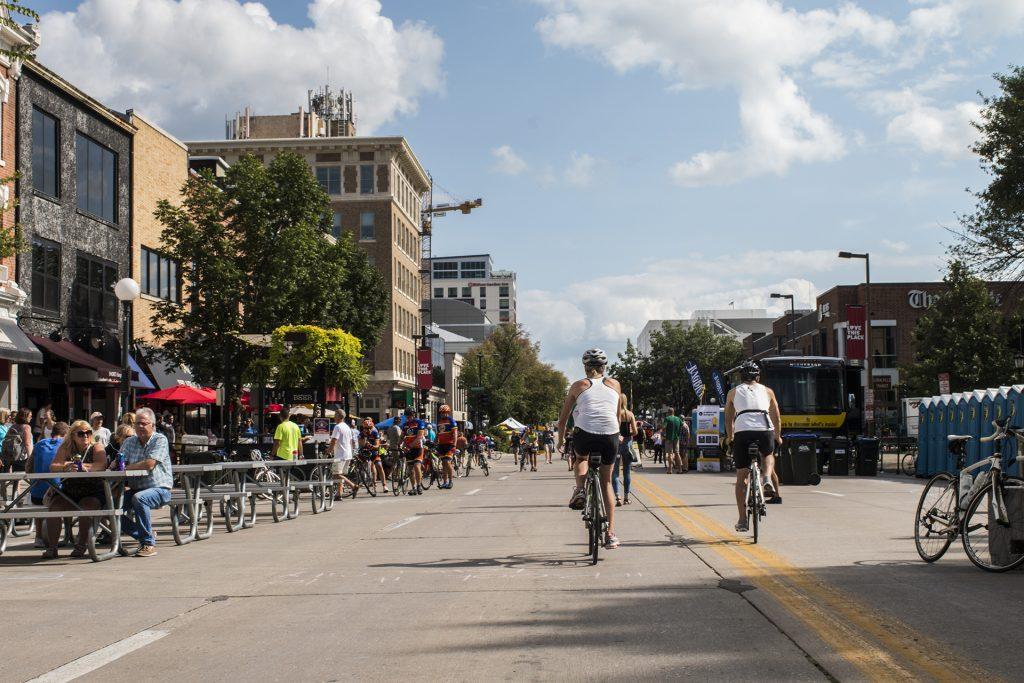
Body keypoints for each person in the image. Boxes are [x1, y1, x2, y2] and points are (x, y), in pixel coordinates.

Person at [557, 348, 624, 550]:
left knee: (581, 459)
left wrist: (560, 441)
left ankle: (579, 490)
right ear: (604, 367)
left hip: (585, 433)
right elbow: (618, 415)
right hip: (610, 434)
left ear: (585, 367)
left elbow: (563, 420)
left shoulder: (578, 385)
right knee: (607, 483)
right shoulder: (615, 384)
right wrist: (617, 434)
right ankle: (610, 534)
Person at [724, 360, 783, 532]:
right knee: (768, 454)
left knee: (741, 478)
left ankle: (742, 520)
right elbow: (776, 417)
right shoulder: (768, 391)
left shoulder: (732, 392)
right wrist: (778, 436)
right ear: (758, 376)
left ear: (741, 377)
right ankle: (766, 478)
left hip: (742, 432)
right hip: (764, 430)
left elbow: (728, 418)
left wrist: (730, 437)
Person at [43, 419, 107, 559]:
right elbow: (53, 466)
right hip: (69, 492)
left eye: (88, 432)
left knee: (86, 508)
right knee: (53, 508)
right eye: (81, 433)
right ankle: (52, 548)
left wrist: (85, 467)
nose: (85, 436)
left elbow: (101, 465)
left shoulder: (96, 446)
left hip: (92, 491)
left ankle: (81, 546)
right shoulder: (66, 447)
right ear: (73, 435)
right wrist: (65, 466)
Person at [120, 407, 174, 557]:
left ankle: (148, 543)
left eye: (144, 423)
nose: (140, 427)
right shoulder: (129, 441)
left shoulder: (160, 439)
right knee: (108, 506)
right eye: (137, 424)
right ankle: (144, 534)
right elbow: (118, 463)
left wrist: (126, 468)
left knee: (140, 498)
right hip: (135, 489)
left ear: (153, 425)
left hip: (160, 489)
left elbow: (149, 464)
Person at [27, 421, 68, 548]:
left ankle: (38, 537)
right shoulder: (66, 445)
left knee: (36, 500)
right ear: (65, 434)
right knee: (68, 495)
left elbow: (28, 468)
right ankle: (68, 534)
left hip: (37, 496)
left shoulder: (39, 444)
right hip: (58, 495)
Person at [613, 399, 638, 506]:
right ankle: (626, 497)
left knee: (615, 472)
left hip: (616, 444)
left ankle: (617, 496)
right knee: (627, 472)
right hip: (627, 444)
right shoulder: (629, 414)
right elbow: (635, 431)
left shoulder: (615, 413)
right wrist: (628, 434)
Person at [327, 409, 356, 499]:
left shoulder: (337, 427)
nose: (334, 417)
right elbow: (352, 441)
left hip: (340, 454)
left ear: (338, 416)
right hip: (348, 453)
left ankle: (353, 486)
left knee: (336, 474)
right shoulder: (347, 427)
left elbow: (334, 440)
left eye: (335, 415)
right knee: (340, 474)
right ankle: (339, 494)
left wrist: (328, 451)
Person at [357, 418, 388, 493]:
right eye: (366, 428)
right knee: (367, 466)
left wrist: (372, 446)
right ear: (363, 428)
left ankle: (384, 485)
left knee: (379, 466)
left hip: (374, 451)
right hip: (365, 452)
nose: (368, 430)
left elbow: (377, 445)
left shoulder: (375, 433)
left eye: (370, 428)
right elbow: (361, 444)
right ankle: (370, 483)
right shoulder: (361, 434)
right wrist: (364, 438)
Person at [400, 407, 427, 495]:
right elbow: (402, 436)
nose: (408, 417)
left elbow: (419, 436)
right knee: (410, 469)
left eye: (409, 416)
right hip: (408, 449)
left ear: (413, 415)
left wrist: (410, 446)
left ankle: (419, 485)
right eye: (407, 416)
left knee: (416, 466)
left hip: (418, 448)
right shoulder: (405, 425)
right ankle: (414, 487)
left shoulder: (419, 423)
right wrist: (398, 444)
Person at [434, 405, 458, 489]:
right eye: (441, 413)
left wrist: (454, 445)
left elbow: (455, 434)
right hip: (441, 445)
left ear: (448, 412)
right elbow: (438, 433)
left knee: (448, 462)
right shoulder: (439, 422)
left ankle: (451, 481)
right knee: (444, 464)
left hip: (449, 445)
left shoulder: (452, 421)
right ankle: (445, 482)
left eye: (444, 413)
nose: (442, 414)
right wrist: (434, 442)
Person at [662, 408, 684, 474]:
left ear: (668, 412)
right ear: (673, 412)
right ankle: (680, 469)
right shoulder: (678, 419)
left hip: (669, 438)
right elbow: (682, 426)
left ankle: (670, 470)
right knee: (677, 453)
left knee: (670, 454)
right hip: (676, 438)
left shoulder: (667, 418)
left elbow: (664, 427)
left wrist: (664, 434)